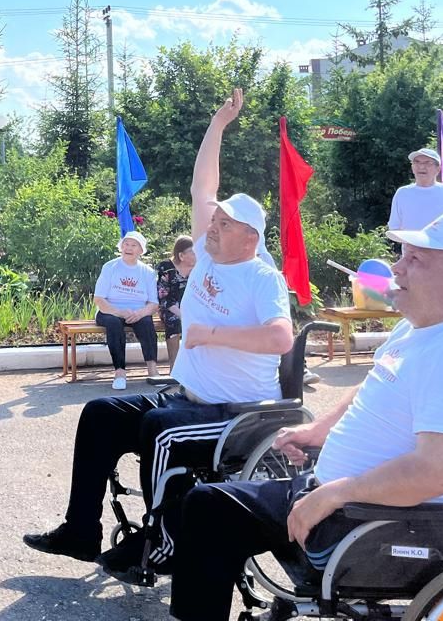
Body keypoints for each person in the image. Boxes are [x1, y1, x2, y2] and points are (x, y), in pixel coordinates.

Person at [164, 212, 443, 621]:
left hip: (381, 522)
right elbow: (369, 389)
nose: (396, 267)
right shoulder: (418, 329)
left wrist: (334, 494)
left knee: (211, 513)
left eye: (415, 260)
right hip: (346, 499)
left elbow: (435, 471)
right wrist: (317, 430)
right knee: (207, 504)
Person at [23, 89, 293, 578]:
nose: (213, 223)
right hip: (186, 394)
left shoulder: (262, 277)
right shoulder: (210, 254)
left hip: (233, 412)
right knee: (100, 413)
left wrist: (211, 334)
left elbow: (280, 339)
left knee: (158, 431)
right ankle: (80, 530)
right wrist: (217, 124)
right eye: (216, 218)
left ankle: (164, 543)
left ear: (249, 237)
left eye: (225, 221)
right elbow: (202, 188)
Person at [93, 231, 161, 390]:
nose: (128, 248)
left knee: (146, 321)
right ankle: (120, 373)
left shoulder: (148, 272)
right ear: (121, 246)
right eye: (126, 244)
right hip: (109, 311)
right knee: (113, 323)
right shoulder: (110, 267)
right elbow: (99, 299)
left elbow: (153, 303)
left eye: (133, 245)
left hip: (136, 311)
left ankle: (152, 369)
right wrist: (119, 312)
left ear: (141, 250)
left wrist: (140, 313)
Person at [388, 147, 443, 231]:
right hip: (411, 244)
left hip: (442, 244)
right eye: (416, 162)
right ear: (412, 167)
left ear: (438, 169)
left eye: (427, 163)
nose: (421, 167)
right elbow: (394, 228)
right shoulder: (402, 193)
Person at [155, 235, 196, 369]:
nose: (198, 254)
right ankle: (175, 365)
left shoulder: (198, 268)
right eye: (193, 252)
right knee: (174, 321)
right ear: (181, 255)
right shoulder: (166, 268)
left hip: (191, 306)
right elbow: (163, 297)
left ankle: (196, 367)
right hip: (169, 308)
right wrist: (182, 314)